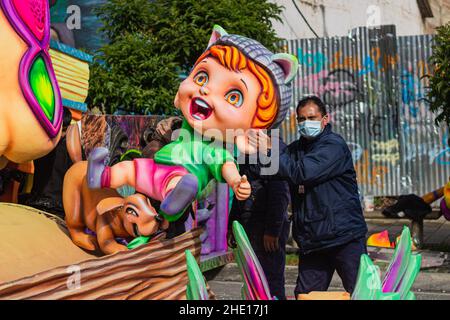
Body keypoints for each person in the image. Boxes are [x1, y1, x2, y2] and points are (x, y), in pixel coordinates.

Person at [86, 25, 298, 223]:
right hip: (156, 165)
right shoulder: (184, 127)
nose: (205, 91)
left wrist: (236, 182)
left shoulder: (217, 149)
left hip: (182, 176)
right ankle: (102, 175)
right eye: (202, 78)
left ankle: (173, 206)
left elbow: (227, 166)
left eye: (233, 96)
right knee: (127, 168)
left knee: (178, 186)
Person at [250, 96, 368, 296]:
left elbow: (302, 172)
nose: (306, 124)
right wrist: (249, 153)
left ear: (325, 119)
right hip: (313, 241)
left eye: (311, 118)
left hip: (344, 237)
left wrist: (271, 149)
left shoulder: (333, 146)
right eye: (301, 119)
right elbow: (269, 171)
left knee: (362, 293)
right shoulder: (295, 149)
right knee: (305, 294)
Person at [229, 144, 290, 300]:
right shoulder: (245, 153)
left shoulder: (274, 151)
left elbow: (280, 195)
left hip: (266, 229)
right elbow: (239, 196)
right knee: (253, 279)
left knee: (270, 280)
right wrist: (233, 225)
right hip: (250, 225)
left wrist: (272, 230)